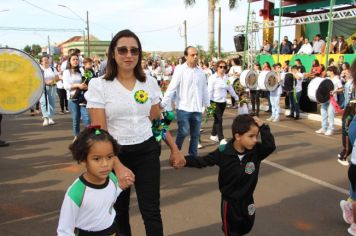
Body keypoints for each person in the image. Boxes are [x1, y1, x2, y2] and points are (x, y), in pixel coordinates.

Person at [85, 29, 185, 236]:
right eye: (122, 50)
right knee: (119, 213)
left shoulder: (148, 82)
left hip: (147, 151)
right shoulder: (99, 85)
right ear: (113, 53)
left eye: (134, 50)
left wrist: (174, 148)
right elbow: (100, 133)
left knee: (151, 211)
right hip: (114, 155)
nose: (128, 55)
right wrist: (118, 166)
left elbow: (157, 122)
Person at [184, 115, 276, 236]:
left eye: (256, 136)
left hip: (248, 201)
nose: (255, 140)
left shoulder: (256, 151)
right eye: (251, 136)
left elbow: (270, 146)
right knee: (231, 231)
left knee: (247, 226)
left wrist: (263, 127)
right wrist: (185, 161)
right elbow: (203, 161)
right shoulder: (224, 152)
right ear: (238, 136)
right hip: (230, 203)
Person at [57, 127, 123, 235]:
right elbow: (64, 230)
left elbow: (109, 198)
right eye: (97, 159)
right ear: (83, 160)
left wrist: (121, 187)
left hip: (112, 231)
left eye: (110, 157)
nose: (105, 164)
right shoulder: (76, 192)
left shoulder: (112, 178)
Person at [161, 46, 210, 157]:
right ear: (186, 56)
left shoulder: (201, 72)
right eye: (192, 55)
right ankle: (176, 153)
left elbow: (204, 89)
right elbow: (172, 87)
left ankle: (192, 157)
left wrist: (208, 105)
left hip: (197, 108)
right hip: (183, 108)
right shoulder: (180, 70)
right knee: (183, 131)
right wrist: (163, 103)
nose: (195, 56)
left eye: (196, 54)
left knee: (195, 135)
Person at [208, 60, 239, 145]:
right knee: (219, 119)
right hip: (214, 102)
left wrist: (236, 97)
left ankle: (213, 134)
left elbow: (230, 88)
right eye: (220, 67)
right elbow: (209, 91)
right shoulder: (212, 78)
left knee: (217, 119)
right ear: (217, 68)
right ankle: (221, 138)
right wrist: (207, 103)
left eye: (224, 67)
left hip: (223, 102)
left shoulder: (227, 78)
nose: (222, 69)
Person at [63, 53, 91, 141]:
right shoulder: (66, 72)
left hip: (83, 98)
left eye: (77, 59)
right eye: (73, 59)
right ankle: (76, 135)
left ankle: (89, 135)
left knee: (87, 118)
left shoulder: (82, 70)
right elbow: (66, 86)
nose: (75, 61)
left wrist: (86, 86)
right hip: (73, 98)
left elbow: (86, 81)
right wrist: (78, 85)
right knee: (76, 118)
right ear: (69, 61)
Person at [315, 66, 343, 135]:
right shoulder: (327, 79)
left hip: (332, 100)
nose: (326, 72)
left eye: (328, 71)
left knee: (331, 114)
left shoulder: (337, 80)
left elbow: (342, 89)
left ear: (332, 72)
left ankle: (331, 129)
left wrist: (335, 91)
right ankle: (324, 128)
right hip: (325, 99)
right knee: (323, 113)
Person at [39, 55, 59, 126]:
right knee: (43, 102)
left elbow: (57, 77)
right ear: (41, 62)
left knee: (52, 102)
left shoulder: (53, 69)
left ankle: (50, 117)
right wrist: (45, 82)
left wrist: (52, 81)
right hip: (41, 88)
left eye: (47, 59)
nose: (46, 61)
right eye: (44, 60)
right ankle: (45, 118)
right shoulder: (38, 68)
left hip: (52, 87)